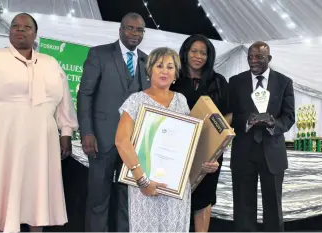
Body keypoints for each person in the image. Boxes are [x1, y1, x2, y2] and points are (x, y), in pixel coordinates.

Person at [0, 13, 78, 232]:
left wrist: (66, 132)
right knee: (0, 193)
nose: (20, 30)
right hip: (2, 139)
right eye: (15, 26)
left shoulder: (51, 63)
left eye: (26, 27)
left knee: (37, 192)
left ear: (36, 34)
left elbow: (64, 101)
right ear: (10, 31)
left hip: (42, 141)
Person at [114, 47, 219, 232]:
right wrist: (142, 181)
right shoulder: (135, 100)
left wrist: (204, 163)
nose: (165, 71)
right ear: (150, 70)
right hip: (144, 185)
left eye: (170, 67)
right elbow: (121, 142)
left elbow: (187, 146)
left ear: (176, 74)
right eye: (159, 65)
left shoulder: (181, 100)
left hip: (176, 187)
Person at [77, 12, 148, 232]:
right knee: (99, 198)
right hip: (102, 138)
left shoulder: (147, 61)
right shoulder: (99, 54)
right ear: (120, 29)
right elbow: (85, 95)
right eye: (129, 28)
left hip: (133, 144)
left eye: (139, 30)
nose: (134, 33)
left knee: (128, 201)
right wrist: (87, 132)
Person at [227, 41, 295, 232]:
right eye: (250, 57)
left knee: (273, 206)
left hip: (272, 153)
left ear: (269, 58)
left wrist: (274, 123)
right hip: (243, 153)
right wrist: (246, 121)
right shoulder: (235, 81)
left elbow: (289, 117)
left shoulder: (284, 82)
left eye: (259, 57)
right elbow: (228, 116)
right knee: (243, 206)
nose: (253, 61)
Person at [170, 34, 229, 232]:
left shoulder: (218, 81)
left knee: (204, 198)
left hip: (208, 149)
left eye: (203, 53)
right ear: (185, 53)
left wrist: (218, 140)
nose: (198, 56)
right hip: (177, 150)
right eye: (194, 51)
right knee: (176, 195)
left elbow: (227, 115)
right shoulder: (173, 79)